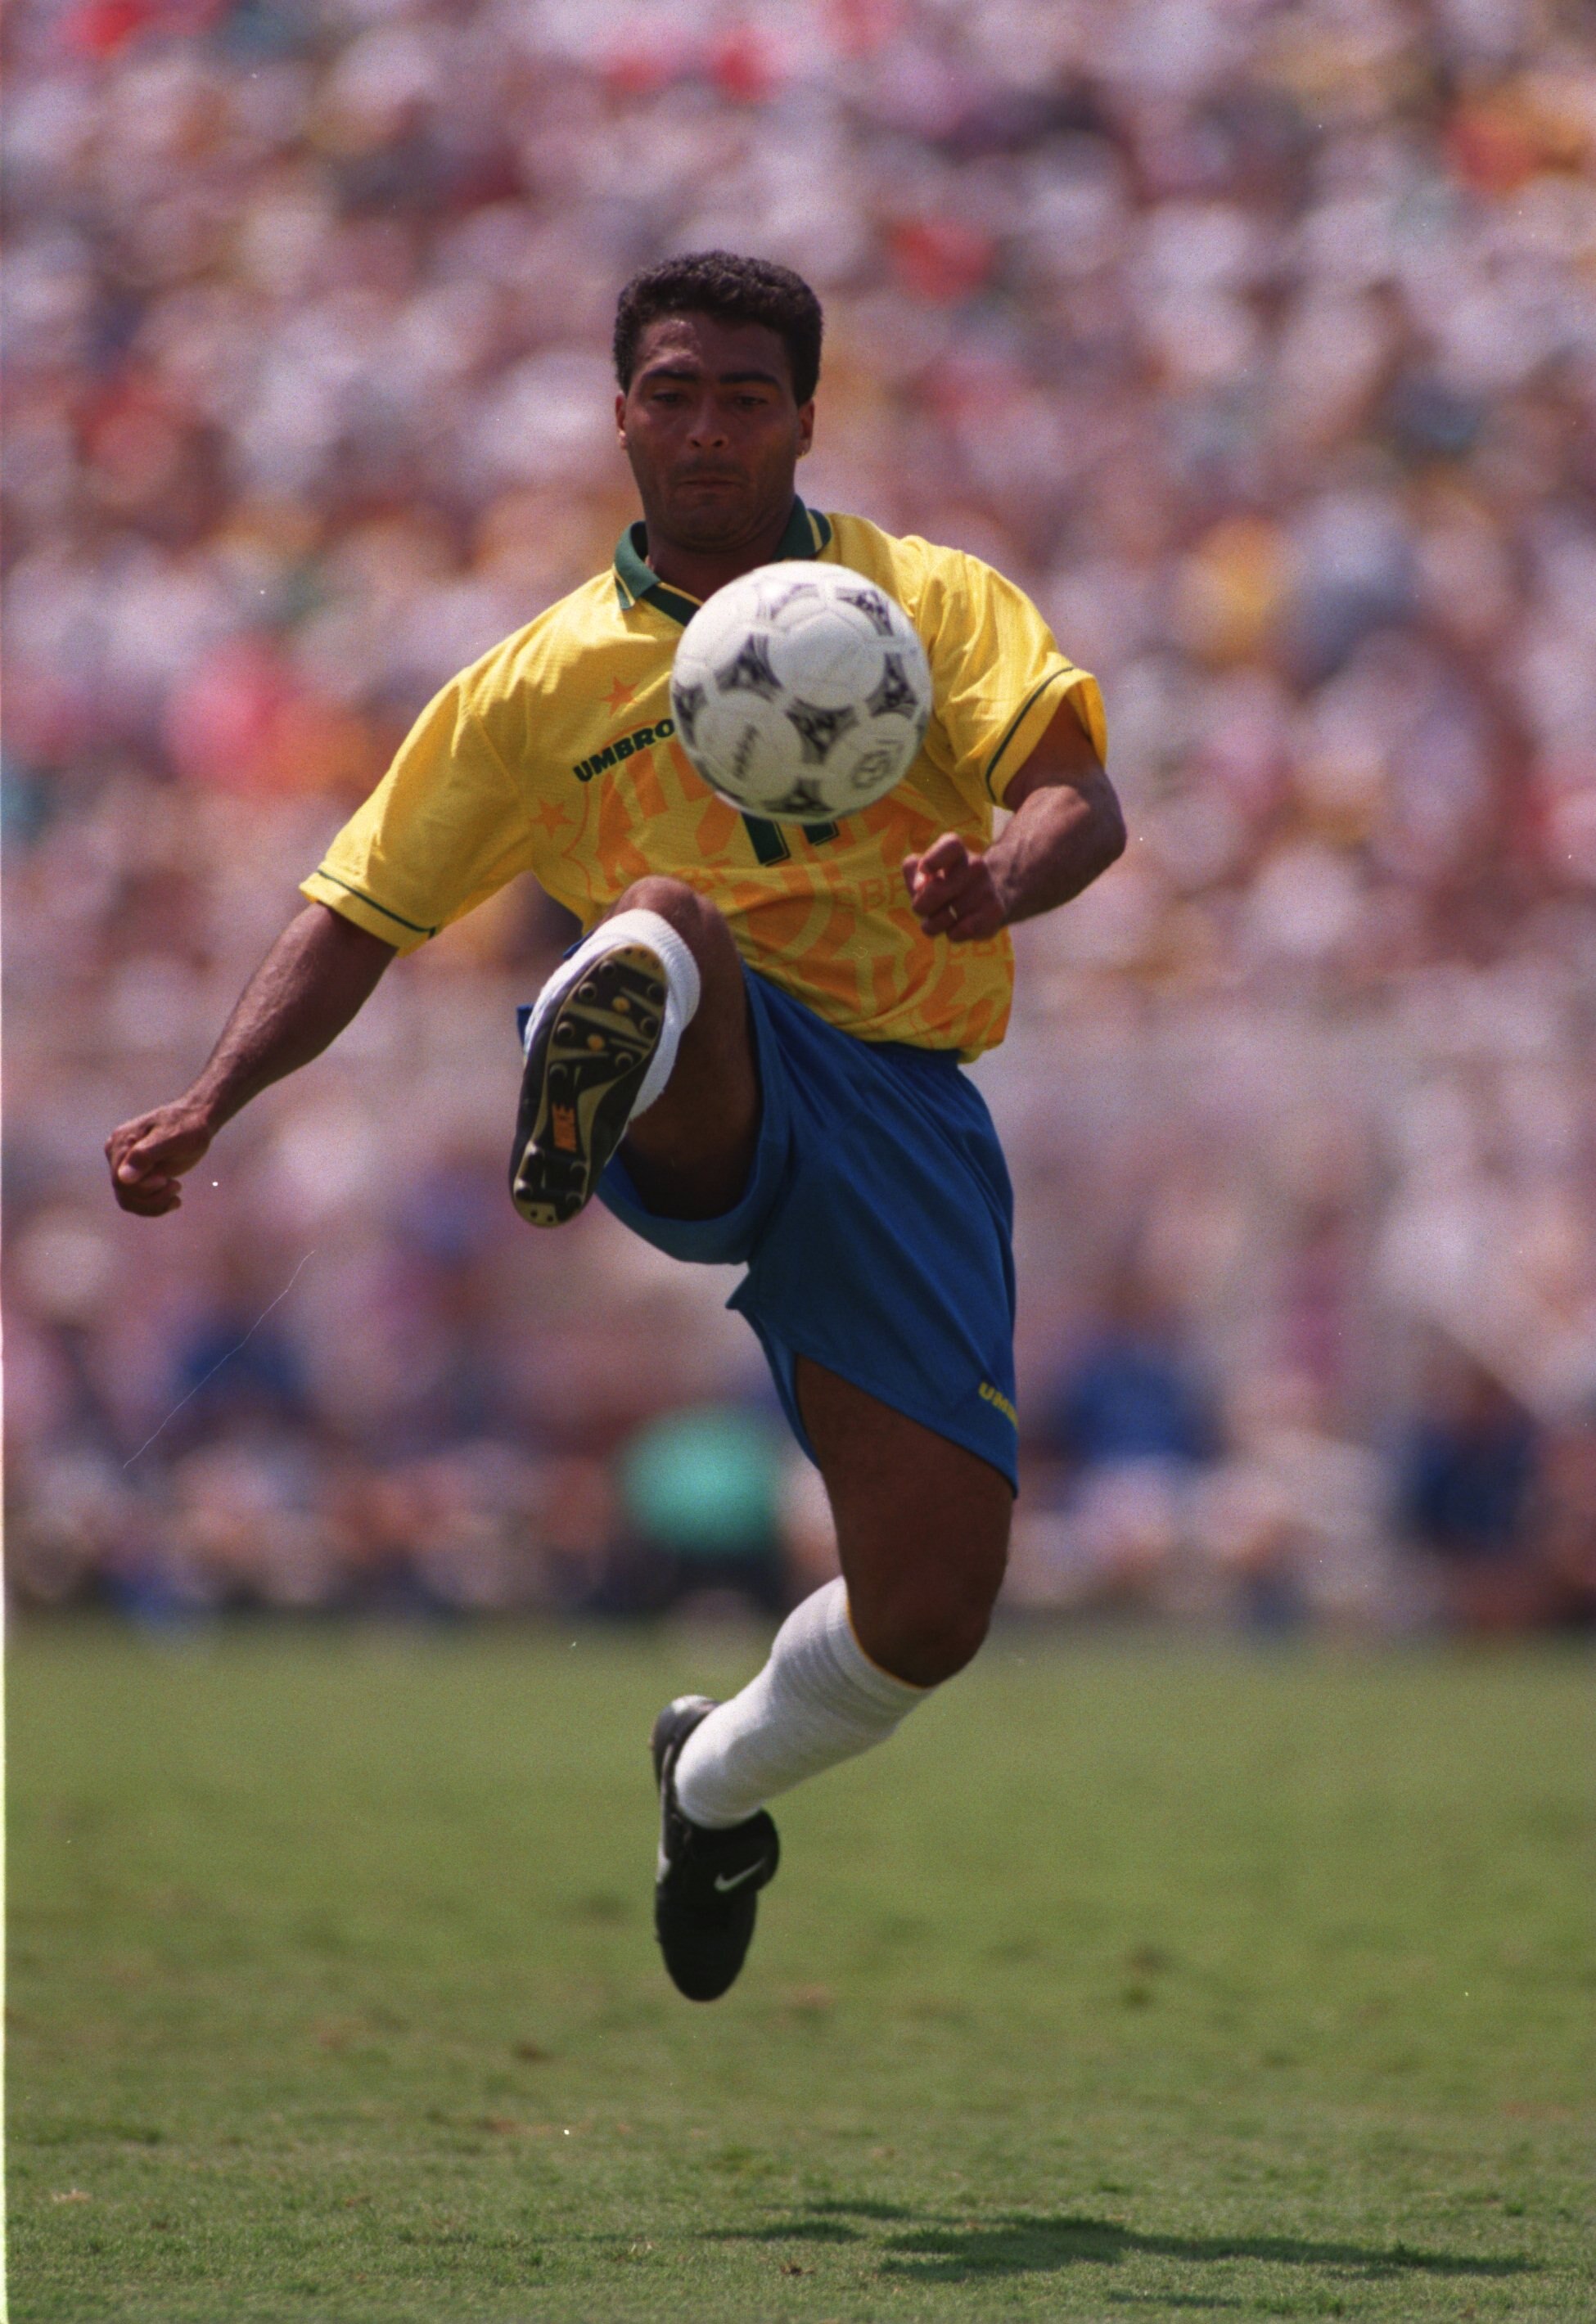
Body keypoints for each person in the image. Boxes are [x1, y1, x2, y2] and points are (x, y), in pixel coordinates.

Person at [106, 251, 1125, 2002]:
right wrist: (213, 1099)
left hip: (899, 1104)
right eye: (673, 393)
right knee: (668, 919)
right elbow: (359, 910)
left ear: (807, 418)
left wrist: (998, 881)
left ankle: (710, 1780)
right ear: (622, 416)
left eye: (745, 396)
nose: (707, 426)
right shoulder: (536, 684)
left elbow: (1077, 800)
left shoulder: (927, 603)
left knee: (929, 1613)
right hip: (710, 1077)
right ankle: (621, 1029)